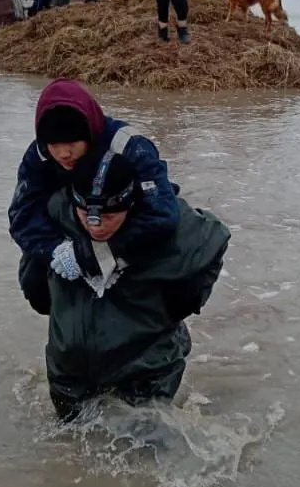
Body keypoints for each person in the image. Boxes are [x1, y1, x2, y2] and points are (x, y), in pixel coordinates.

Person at [19, 149, 231, 421]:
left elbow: (214, 240)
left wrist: (180, 304)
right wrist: (51, 305)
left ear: (131, 203)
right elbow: (33, 268)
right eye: (85, 212)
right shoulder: (53, 218)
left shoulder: (166, 226)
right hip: (69, 372)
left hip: (146, 369)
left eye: (108, 215)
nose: (95, 226)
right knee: (66, 448)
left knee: (150, 451)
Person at [9, 78, 180, 306]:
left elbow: (162, 213)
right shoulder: (39, 155)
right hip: (71, 230)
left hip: (126, 229)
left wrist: (93, 255)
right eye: (54, 144)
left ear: (89, 132)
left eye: (71, 142)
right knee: (35, 285)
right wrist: (58, 251)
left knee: (164, 285)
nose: (63, 154)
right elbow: (22, 217)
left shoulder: (129, 146)